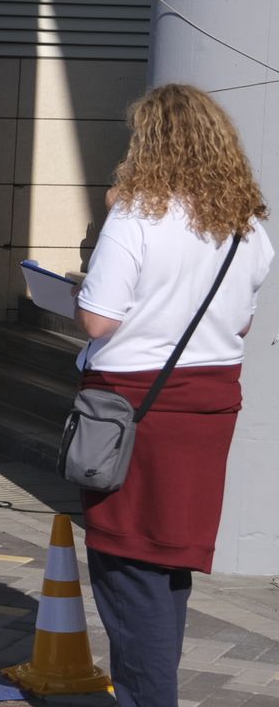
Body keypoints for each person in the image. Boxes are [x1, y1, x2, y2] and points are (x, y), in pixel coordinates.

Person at [71, 84, 272, 705]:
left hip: (133, 403)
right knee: (166, 559)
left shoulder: (135, 216)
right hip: (208, 402)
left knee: (127, 561)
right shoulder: (246, 223)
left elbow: (99, 320)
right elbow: (239, 324)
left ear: (150, 144)